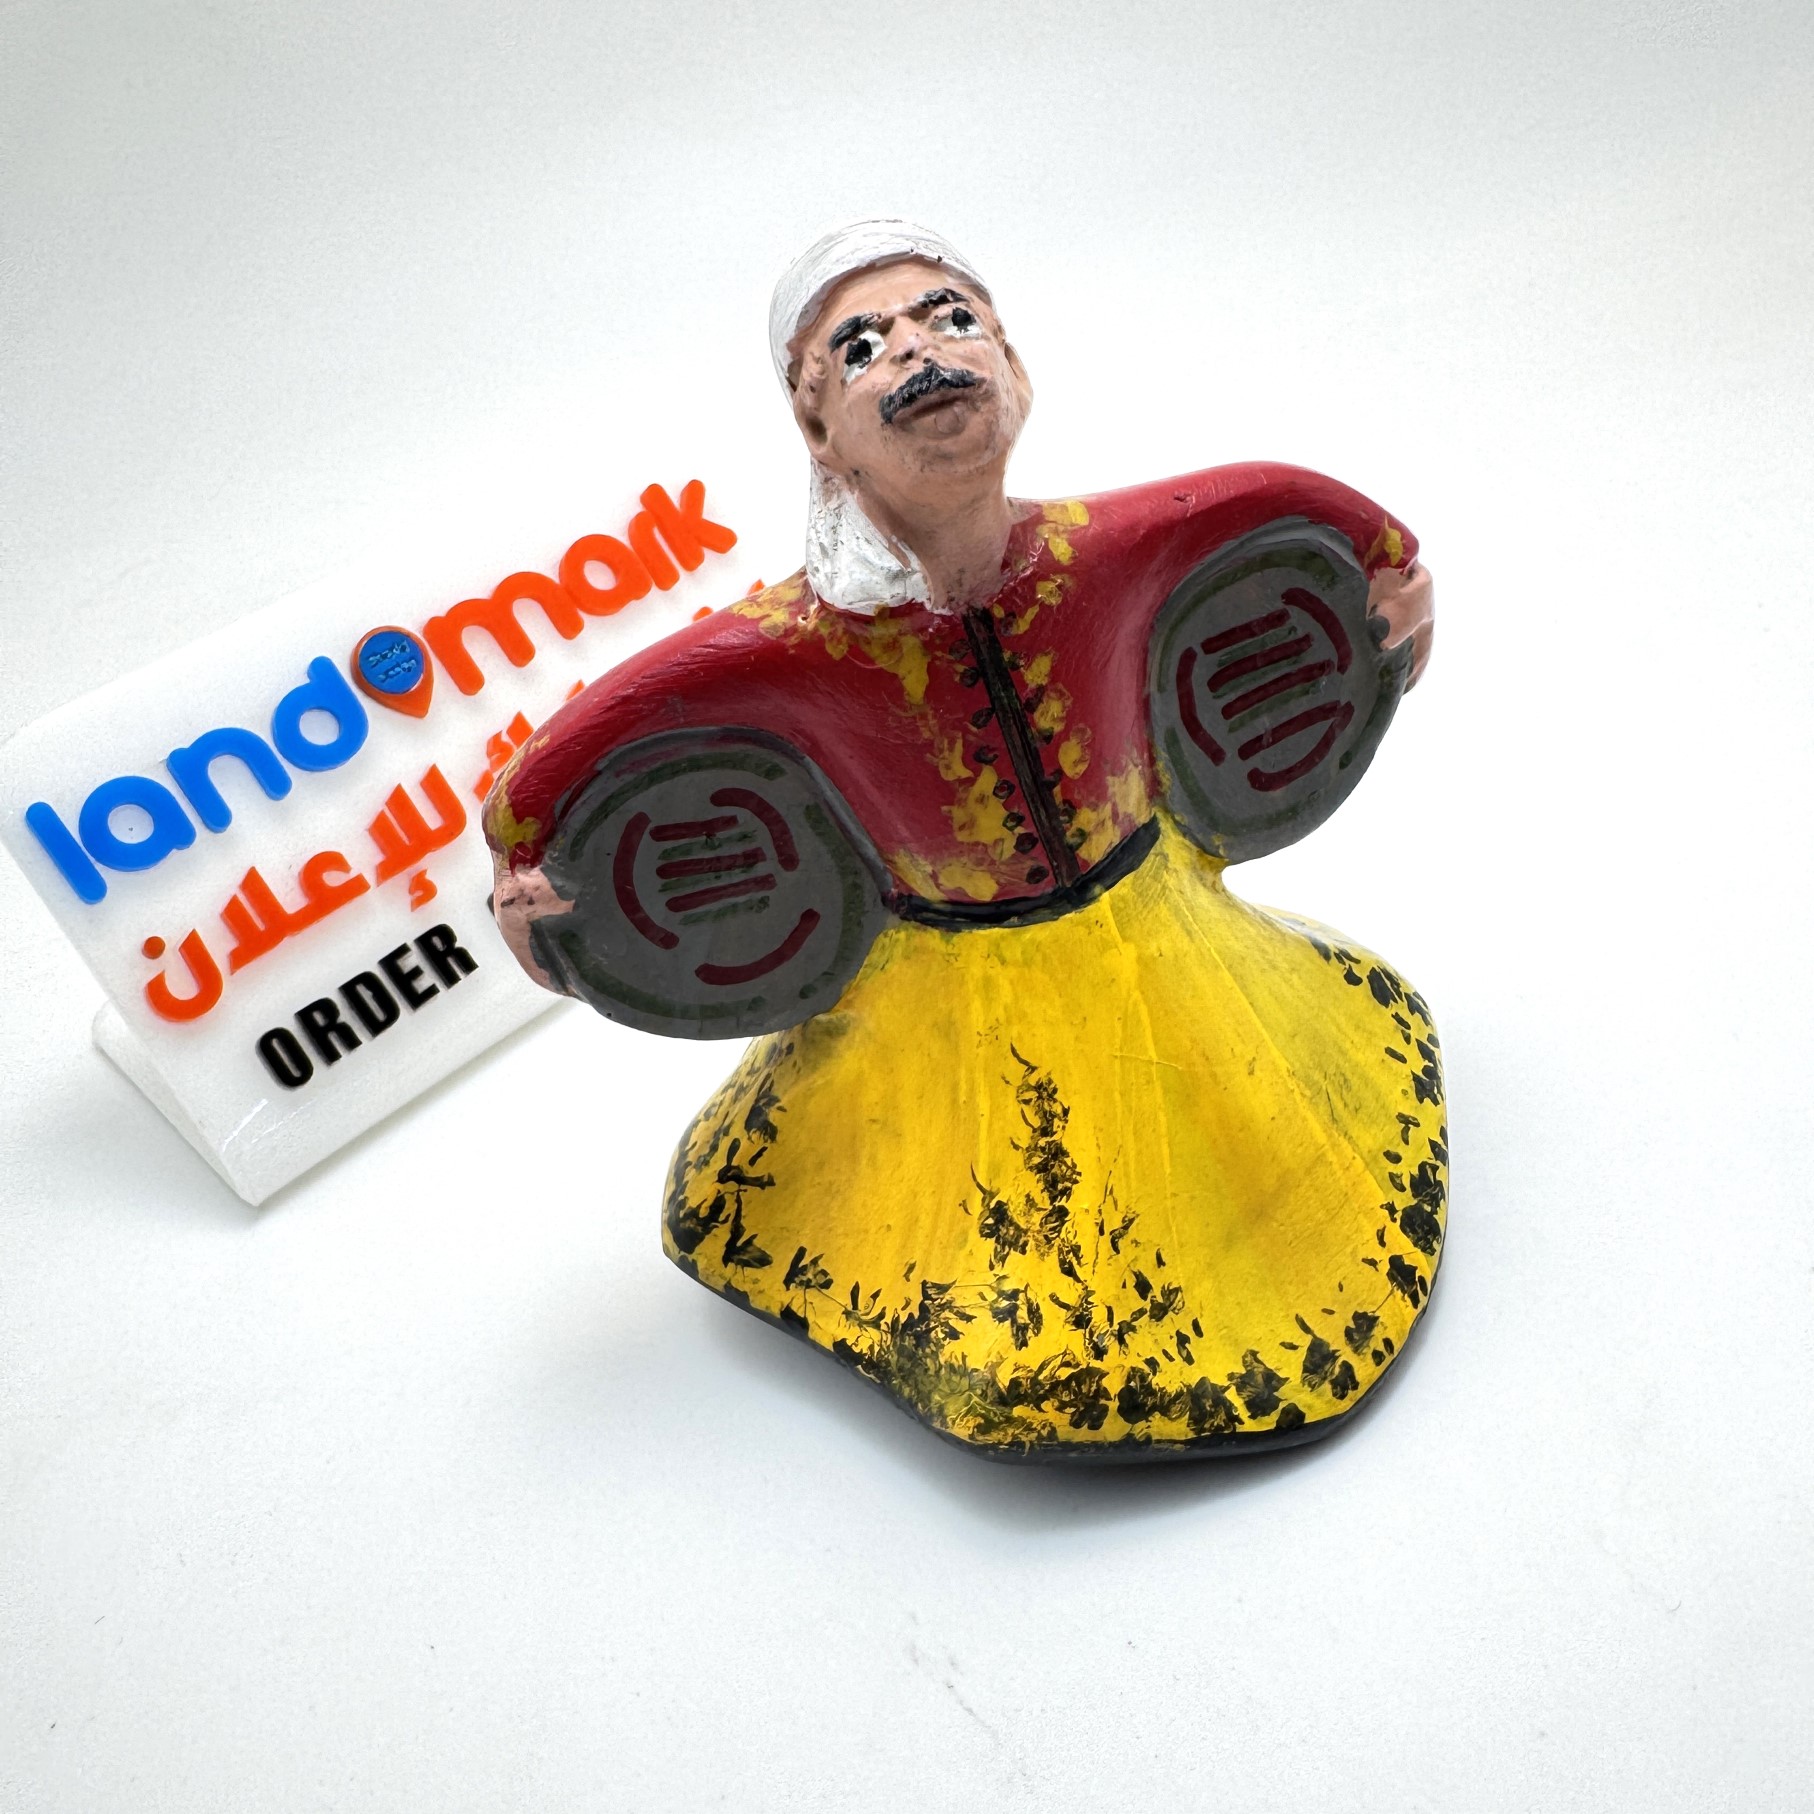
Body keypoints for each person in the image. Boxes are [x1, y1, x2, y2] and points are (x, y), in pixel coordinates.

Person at [485, 221, 1444, 1460]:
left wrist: (1387, 570)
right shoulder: (789, 645)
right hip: (943, 1013)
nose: (918, 353)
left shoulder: (1105, 546)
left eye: (950, 319)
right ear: (818, 427)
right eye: (863, 346)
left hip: (1159, 945)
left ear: (1013, 366)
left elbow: (1275, 503)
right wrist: (524, 860)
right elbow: (604, 728)